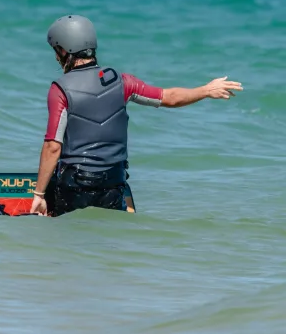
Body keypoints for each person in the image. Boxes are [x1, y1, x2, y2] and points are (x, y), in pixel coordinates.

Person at [30, 14, 243, 217]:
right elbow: (169, 97)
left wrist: (39, 194)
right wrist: (205, 90)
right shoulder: (123, 82)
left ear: (65, 50)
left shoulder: (60, 89)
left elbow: (53, 146)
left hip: (76, 186)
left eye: (56, 51)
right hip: (114, 183)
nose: (57, 58)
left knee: (56, 223)